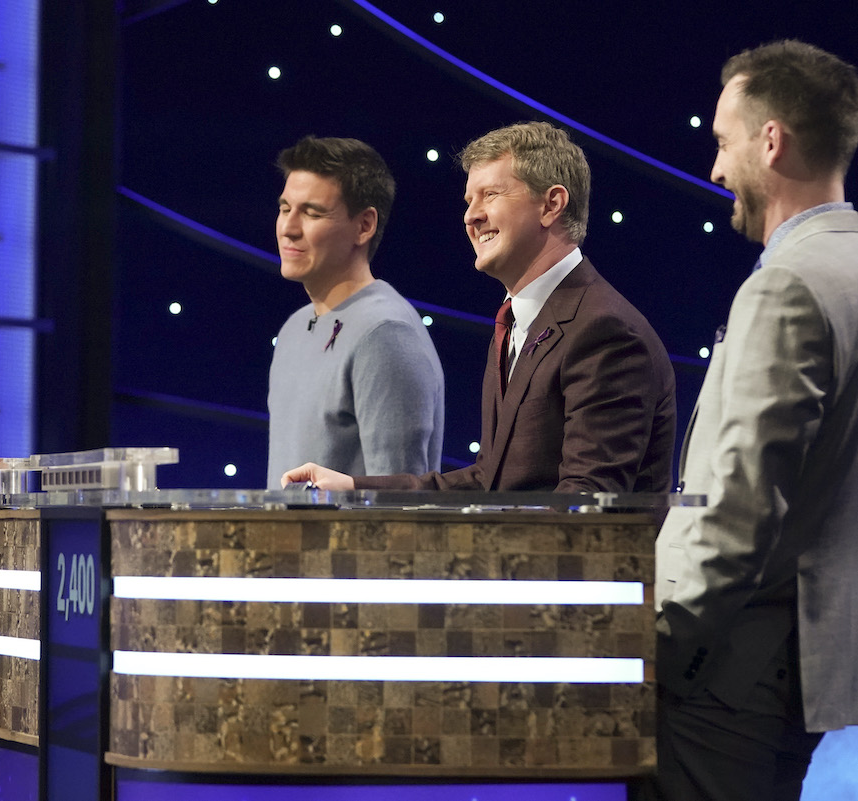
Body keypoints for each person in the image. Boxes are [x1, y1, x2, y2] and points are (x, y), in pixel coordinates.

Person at [655, 41, 858, 801]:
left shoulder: (786, 286)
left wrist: (656, 648)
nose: (713, 170)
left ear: (768, 141)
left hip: (731, 674)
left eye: (720, 141)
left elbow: (736, 510)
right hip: (814, 665)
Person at [283, 122, 675, 494]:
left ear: (551, 204)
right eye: (469, 200)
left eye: (491, 195)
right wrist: (353, 487)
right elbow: (489, 480)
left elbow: (586, 509)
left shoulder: (604, 331)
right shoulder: (515, 323)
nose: (471, 215)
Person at [266, 136, 444, 489]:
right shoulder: (293, 327)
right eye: (285, 209)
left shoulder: (385, 332)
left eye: (312, 212)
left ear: (364, 225)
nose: (288, 228)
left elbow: (399, 509)